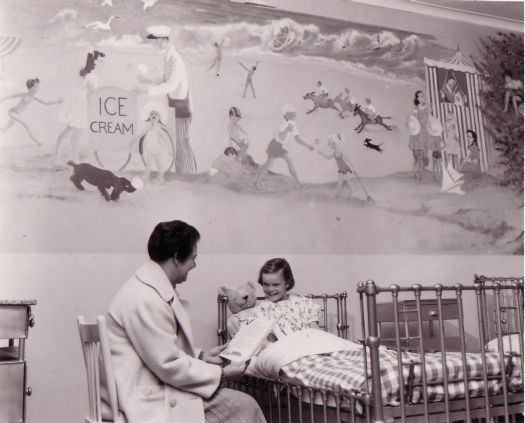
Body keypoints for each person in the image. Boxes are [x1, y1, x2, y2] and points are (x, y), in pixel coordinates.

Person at [105, 220, 267, 423]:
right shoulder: (146, 299)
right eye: (193, 258)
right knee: (245, 406)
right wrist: (222, 374)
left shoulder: (145, 290)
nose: (194, 265)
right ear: (176, 258)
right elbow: (168, 365)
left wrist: (201, 355)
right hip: (148, 400)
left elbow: (160, 351)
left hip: (149, 387)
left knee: (242, 404)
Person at [139, 25, 197, 175]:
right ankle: (182, 173)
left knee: (182, 141)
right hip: (175, 102)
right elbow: (165, 78)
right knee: (177, 140)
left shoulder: (175, 59)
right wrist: (148, 80)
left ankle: (189, 173)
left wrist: (147, 90)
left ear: (164, 39)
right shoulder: (168, 56)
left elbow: (171, 85)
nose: (155, 43)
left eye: (157, 40)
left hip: (182, 104)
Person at [54, 50, 105, 168]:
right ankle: (74, 159)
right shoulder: (92, 75)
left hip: (77, 102)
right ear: (95, 62)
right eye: (101, 61)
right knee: (75, 133)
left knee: (69, 131)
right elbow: (92, 91)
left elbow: (85, 89)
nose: (102, 63)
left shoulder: (86, 73)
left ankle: (60, 156)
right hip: (82, 104)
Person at [254, 258, 320, 339]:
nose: (270, 289)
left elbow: (316, 331)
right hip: (283, 349)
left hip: (309, 345)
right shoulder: (264, 309)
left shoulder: (303, 303)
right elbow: (270, 341)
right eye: (266, 284)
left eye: (276, 285)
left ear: (287, 283)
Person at [254, 103, 314, 190]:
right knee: (268, 164)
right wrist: (286, 130)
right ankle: (257, 182)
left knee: (288, 161)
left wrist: (308, 146)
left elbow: (297, 139)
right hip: (274, 145)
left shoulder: (293, 125)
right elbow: (281, 136)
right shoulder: (284, 124)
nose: (293, 115)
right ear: (286, 116)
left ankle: (299, 184)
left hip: (280, 146)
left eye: (294, 114)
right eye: (291, 114)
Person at [0, 78, 63, 146]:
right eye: (36, 86)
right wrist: (1, 99)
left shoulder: (34, 97)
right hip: (12, 112)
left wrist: (56, 102)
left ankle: (3, 129)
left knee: (5, 129)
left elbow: (45, 103)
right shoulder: (24, 94)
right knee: (27, 126)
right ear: (31, 87)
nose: (38, 88)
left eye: (38, 86)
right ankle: (38, 142)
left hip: (18, 114)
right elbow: (11, 96)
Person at [136, 101, 171, 184]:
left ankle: (161, 179)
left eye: (156, 114)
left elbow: (165, 138)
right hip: (150, 148)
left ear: (159, 117)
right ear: (149, 116)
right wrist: (134, 140)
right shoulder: (148, 126)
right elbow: (142, 134)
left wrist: (169, 149)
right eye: (151, 114)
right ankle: (147, 177)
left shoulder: (159, 127)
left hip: (158, 148)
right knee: (148, 164)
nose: (153, 115)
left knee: (159, 164)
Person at [407, 90, 438, 180]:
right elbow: (414, 120)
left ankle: (421, 172)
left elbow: (430, 119)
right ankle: (417, 173)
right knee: (418, 154)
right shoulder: (416, 109)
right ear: (417, 98)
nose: (422, 98)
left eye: (423, 96)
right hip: (418, 132)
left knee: (425, 153)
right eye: (420, 96)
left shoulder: (427, 108)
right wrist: (425, 118)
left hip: (426, 132)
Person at [315, 133, 354, 199]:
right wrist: (321, 153)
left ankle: (353, 194)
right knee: (339, 183)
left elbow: (350, 161)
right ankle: (338, 195)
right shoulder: (334, 153)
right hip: (341, 170)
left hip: (346, 168)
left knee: (348, 181)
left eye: (331, 144)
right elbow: (327, 157)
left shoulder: (341, 152)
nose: (330, 146)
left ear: (335, 144)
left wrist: (354, 169)